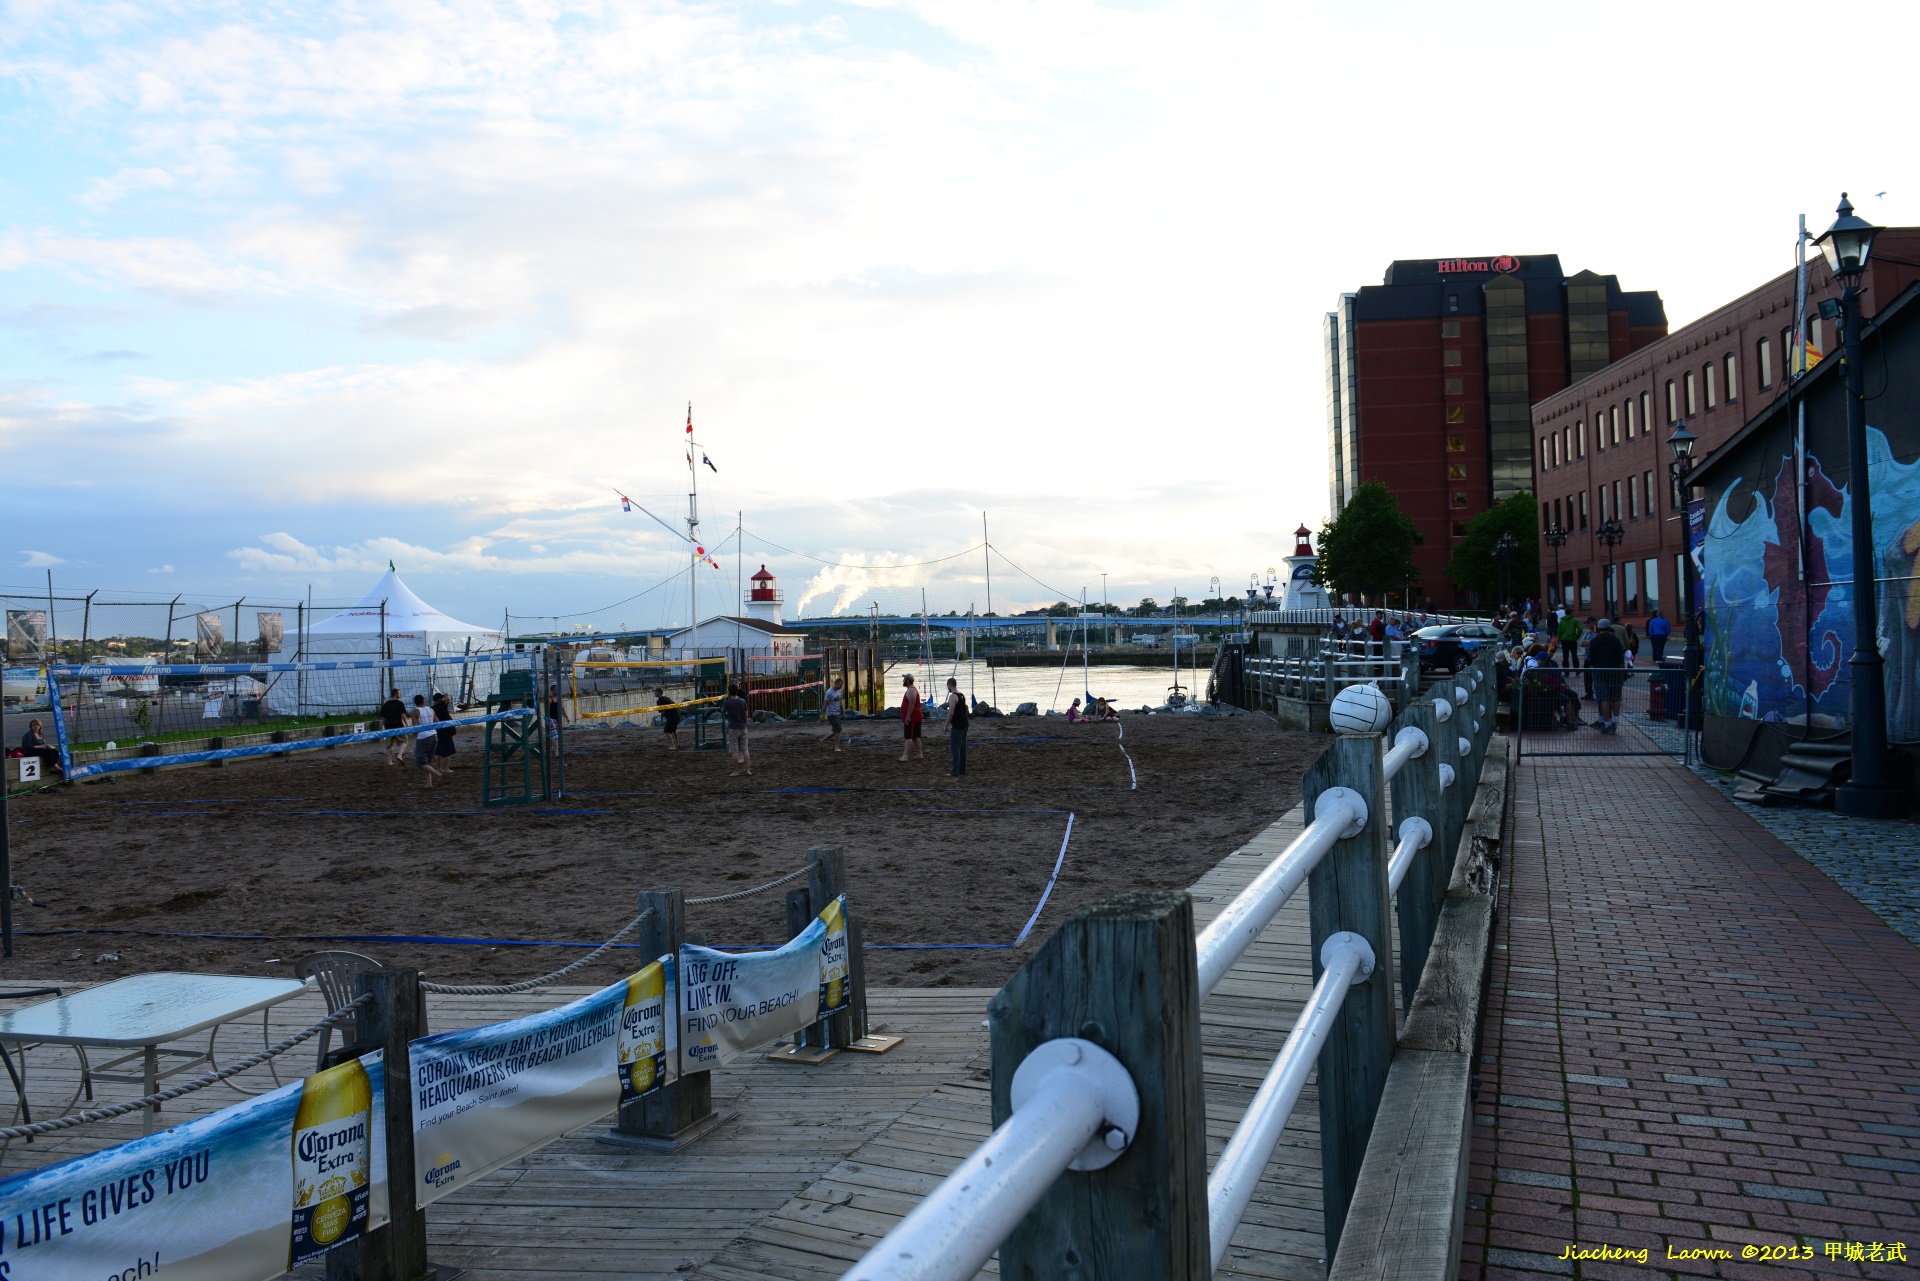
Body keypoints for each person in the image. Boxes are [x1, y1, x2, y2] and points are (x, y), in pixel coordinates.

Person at [1587, 616, 1627, 733]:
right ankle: (1615, 720)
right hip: (1615, 671)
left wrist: (1593, 674)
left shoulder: (1594, 641)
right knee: (1616, 697)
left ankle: (1607, 723)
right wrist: (1622, 672)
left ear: (1598, 628)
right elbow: (1620, 659)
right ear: (1609, 628)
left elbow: (1592, 661)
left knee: (1603, 698)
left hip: (1599, 672)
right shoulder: (1615, 640)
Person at [721, 683, 750, 776]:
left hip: (733, 728)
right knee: (745, 750)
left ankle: (736, 771)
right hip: (742, 727)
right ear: (738, 691)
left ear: (729, 692)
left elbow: (722, 711)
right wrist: (745, 723)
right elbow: (746, 714)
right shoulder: (742, 701)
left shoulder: (727, 702)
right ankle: (747, 771)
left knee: (734, 750)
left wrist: (727, 698)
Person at [411, 694, 440, 785]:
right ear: (423, 701)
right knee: (427, 761)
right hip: (433, 736)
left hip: (423, 737)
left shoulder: (415, 711)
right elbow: (437, 722)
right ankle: (429, 783)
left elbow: (415, 727)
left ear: (415, 702)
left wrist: (413, 733)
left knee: (421, 762)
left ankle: (438, 774)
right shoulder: (431, 709)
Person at [945, 677, 969, 777]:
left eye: (948, 686)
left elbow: (951, 712)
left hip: (958, 726)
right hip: (964, 724)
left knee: (955, 748)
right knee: (962, 748)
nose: (948, 688)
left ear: (950, 685)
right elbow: (966, 710)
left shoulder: (952, 697)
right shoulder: (962, 695)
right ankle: (962, 769)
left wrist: (946, 725)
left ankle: (955, 771)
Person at [378, 687, 408, 765]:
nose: (399, 695)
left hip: (389, 727)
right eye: (399, 693)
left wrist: (385, 727)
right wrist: (408, 726)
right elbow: (403, 716)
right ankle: (400, 755)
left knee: (389, 745)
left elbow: (383, 718)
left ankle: (389, 761)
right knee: (404, 741)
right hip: (399, 726)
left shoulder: (386, 704)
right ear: (395, 694)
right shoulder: (399, 703)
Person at [898, 674, 924, 762]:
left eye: (904, 679)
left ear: (908, 681)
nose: (903, 681)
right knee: (915, 737)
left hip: (912, 718)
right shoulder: (911, 690)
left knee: (908, 737)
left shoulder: (911, 690)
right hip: (914, 717)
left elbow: (911, 704)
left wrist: (908, 716)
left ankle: (905, 756)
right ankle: (919, 754)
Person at [431, 691, 457, 774]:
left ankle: (439, 768)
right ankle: (446, 768)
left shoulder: (432, 708)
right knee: (448, 750)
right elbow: (448, 699)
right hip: (446, 729)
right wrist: (447, 695)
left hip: (439, 729)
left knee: (439, 750)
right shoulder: (441, 705)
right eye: (441, 698)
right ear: (439, 699)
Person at [822, 677, 845, 753]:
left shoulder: (839, 692)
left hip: (837, 713)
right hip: (831, 714)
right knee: (838, 730)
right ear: (835, 684)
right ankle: (836, 747)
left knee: (835, 731)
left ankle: (823, 740)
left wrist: (843, 713)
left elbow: (840, 703)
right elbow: (825, 705)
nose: (840, 687)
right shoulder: (829, 693)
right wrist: (823, 716)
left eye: (841, 686)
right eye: (840, 685)